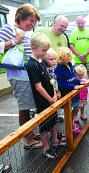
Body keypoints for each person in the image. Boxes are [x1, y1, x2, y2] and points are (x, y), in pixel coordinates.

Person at [0, 3, 42, 149]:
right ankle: (28, 140)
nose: (32, 24)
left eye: (34, 22)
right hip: (18, 76)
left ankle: (29, 133)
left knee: (29, 105)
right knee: (24, 107)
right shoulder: (9, 29)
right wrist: (14, 40)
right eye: (31, 20)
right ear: (21, 17)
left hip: (28, 75)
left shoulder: (27, 32)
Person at [26, 32, 65, 160]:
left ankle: (55, 141)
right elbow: (38, 86)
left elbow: (50, 79)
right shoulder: (32, 64)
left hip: (51, 98)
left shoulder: (41, 60)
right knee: (44, 125)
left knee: (53, 120)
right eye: (43, 50)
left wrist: (55, 93)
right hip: (42, 101)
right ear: (33, 47)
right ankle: (46, 148)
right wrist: (50, 99)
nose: (45, 53)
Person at [54, 47, 84, 135]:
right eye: (64, 59)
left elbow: (74, 76)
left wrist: (79, 81)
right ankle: (70, 127)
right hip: (67, 93)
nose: (66, 60)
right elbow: (60, 83)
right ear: (60, 59)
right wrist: (73, 86)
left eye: (68, 58)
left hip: (74, 93)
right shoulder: (58, 69)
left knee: (76, 108)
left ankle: (72, 124)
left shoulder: (70, 64)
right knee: (68, 111)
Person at [69, 16, 89, 98]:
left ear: (85, 22)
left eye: (82, 23)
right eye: (79, 23)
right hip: (78, 59)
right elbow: (71, 45)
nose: (80, 25)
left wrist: (85, 54)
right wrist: (79, 55)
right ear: (76, 23)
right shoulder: (73, 33)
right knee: (78, 75)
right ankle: (80, 93)